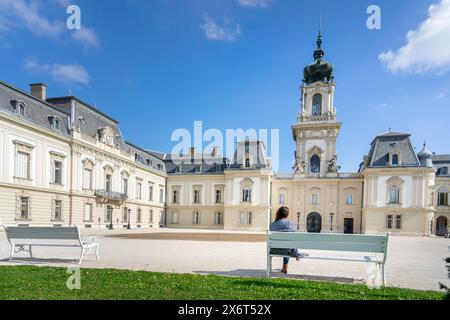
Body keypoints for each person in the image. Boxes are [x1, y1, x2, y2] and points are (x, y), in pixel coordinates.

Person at [269, 206, 304, 274]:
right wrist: (296, 251)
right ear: (287, 214)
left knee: (286, 244)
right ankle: (285, 266)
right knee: (288, 243)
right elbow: (294, 238)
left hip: (274, 250)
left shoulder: (272, 225)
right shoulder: (291, 223)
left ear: (278, 213)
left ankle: (282, 267)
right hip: (288, 251)